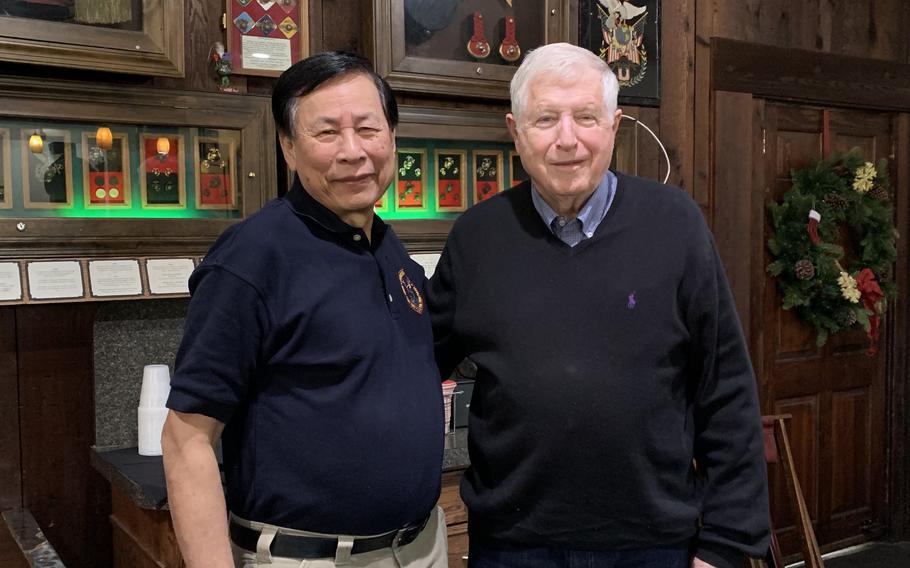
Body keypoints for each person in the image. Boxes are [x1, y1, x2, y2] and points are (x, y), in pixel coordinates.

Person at [427, 42, 770, 568]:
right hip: (513, 545)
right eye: (545, 119)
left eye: (586, 117)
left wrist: (727, 542)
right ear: (516, 131)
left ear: (614, 126)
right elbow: (415, 363)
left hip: (651, 543)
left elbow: (725, 388)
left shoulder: (676, 225)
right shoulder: (476, 237)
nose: (568, 139)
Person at [161, 51, 447, 568]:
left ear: (392, 137)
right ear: (288, 149)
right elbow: (186, 441)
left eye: (368, 128)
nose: (353, 151)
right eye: (327, 133)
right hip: (308, 558)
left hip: (419, 548)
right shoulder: (252, 257)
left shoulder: (385, 244)